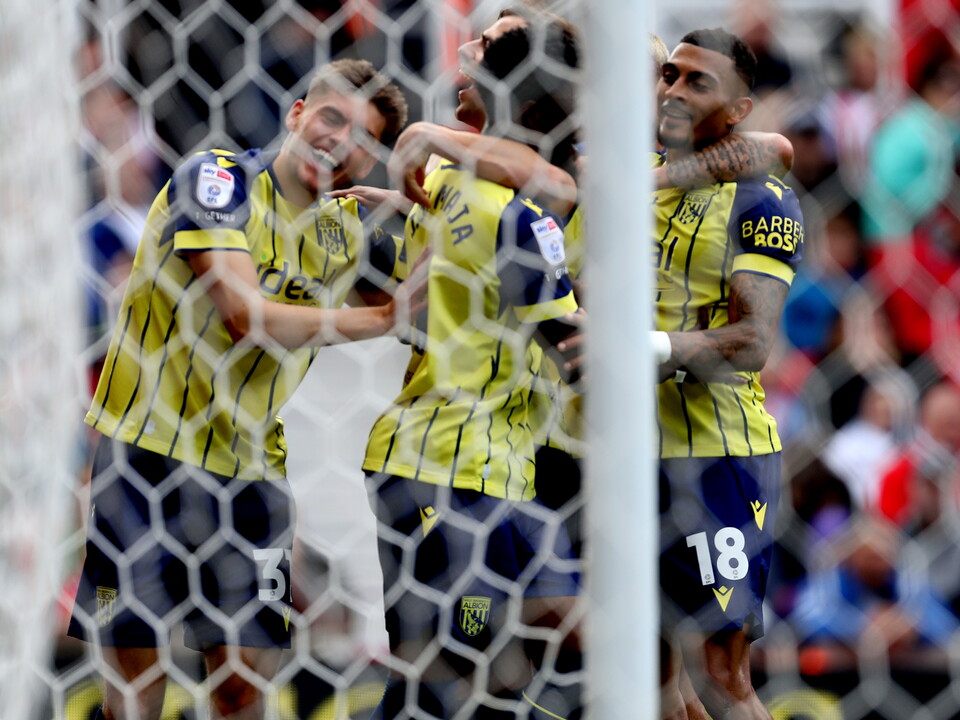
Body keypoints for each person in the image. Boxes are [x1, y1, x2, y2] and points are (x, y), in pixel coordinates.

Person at [67, 59, 421, 720]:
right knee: (135, 694)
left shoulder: (344, 233)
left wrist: (415, 201)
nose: (339, 140)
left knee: (243, 688)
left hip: (252, 479)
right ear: (296, 113)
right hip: (146, 464)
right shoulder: (218, 178)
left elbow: (459, 279)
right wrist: (386, 318)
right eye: (331, 117)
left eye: (361, 138)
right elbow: (243, 317)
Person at [360, 8, 584, 719]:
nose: (463, 59)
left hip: (426, 460)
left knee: (447, 678)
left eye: (480, 53)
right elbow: (570, 347)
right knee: (456, 684)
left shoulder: (447, 180)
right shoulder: (515, 212)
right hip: (463, 468)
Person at [651, 29, 804, 720]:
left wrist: (647, 348)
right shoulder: (628, 175)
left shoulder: (759, 199)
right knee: (648, 671)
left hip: (718, 457)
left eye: (696, 82)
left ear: (739, 108)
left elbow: (751, 341)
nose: (673, 91)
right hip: (631, 454)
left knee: (722, 672)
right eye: (669, 74)